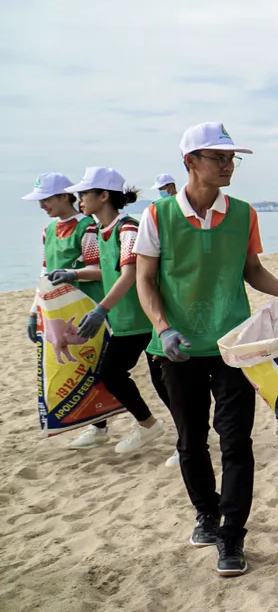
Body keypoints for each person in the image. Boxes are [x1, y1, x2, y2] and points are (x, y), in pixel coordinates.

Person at [135, 122, 278, 576]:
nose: (229, 164)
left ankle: (232, 536)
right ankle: (206, 514)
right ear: (190, 162)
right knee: (191, 441)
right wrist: (164, 327)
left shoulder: (244, 214)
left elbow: (251, 269)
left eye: (232, 158)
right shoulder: (157, 216)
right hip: (177, 350)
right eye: (219, 157)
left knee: (236, 442)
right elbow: (145, 279)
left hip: (234, 347)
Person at [65, 167, 172, 456]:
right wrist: (73, 275)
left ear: (103, 195)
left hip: (144, 319)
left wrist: (101, 308)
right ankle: (153, 427)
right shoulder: (101, 230)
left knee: (156, 382)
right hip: (124, 321)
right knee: (120, 375)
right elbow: (106, 272)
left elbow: (130, 273)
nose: (79, 199)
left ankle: (177, 436)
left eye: (83, 193)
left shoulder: (128, 228)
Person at [22, 172, 106, 448]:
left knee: (91, 366)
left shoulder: (87, 228)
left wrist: (72, 273)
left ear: (63, 196)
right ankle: (94, 425)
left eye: (46, 200)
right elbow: (44, 273)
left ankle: (99, 426)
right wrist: (35, 312)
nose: (42, 206)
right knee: (72, 366)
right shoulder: (48, 231)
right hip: (55, 310)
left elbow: (98, 269)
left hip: (85, 306)